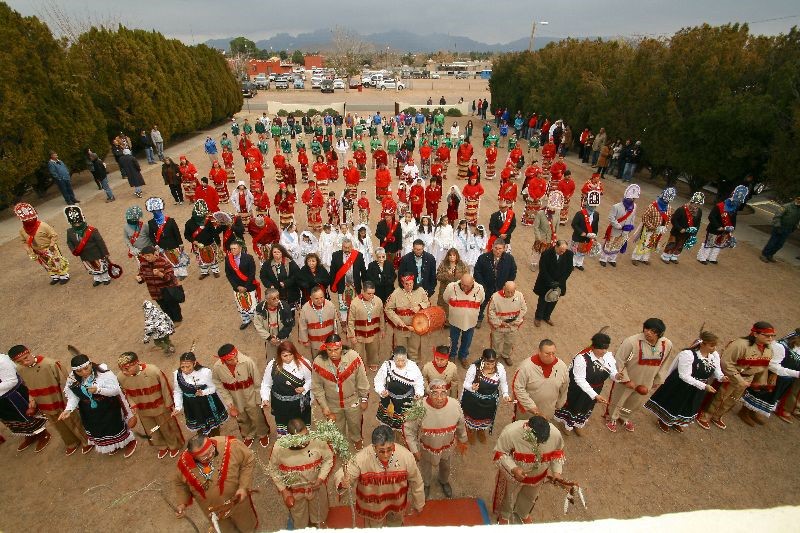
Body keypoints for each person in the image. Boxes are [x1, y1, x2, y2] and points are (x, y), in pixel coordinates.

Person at [335, 425, 425, 526]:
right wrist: (342, 481)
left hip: (396, 501)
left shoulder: (406, 456)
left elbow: (416, 480)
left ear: (394, 445)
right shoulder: (362, 458)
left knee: (395, 523)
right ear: (374, 447)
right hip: (374, 506)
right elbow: (344, 472)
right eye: (381, 451)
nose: (386, 455)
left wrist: (419, 502)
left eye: (389, 449)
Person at [8, 345, 90, 455]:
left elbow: (65, 384)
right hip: (43, 404)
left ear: (29, 352)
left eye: (26, 358)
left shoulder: (51, 364)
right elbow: (29, 386)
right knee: (59, 426)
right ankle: (71, 443)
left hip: (60, 401)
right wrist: (32, 400)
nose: (25, 362)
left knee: (73, 422)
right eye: (20, 361)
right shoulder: (20, 370)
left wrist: (68, 404)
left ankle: (86, 441)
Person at [173, 434, 258, 532]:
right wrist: (182, 504)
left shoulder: (230, 446)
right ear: (194, 457)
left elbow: (248, 460)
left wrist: (243, 486)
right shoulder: (184, 464)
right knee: (225, 530)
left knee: (247, 526)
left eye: (211, 450)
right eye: (205, 456)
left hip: (238, 501)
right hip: (214, 511)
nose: (210, 455)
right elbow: (180, 484)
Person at [698, 322, 775, 430]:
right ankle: (705, 416)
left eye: (772, 336)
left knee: (733, 399)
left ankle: (717, 416)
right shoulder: (740, 344)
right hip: (731, 376)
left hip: (748, 378)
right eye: (766, 335)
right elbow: (726, 362)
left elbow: (763, 366)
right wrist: (738, 378)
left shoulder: (768, 350)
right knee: (720, 396)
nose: (770, 338)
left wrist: (759, 383)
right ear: (755, 334)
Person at [59, 351, 137, 457]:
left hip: (108, 407)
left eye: (86, 368)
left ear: (90, 364)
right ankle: (114, 444)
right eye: (79, 371)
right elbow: (74, 396)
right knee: (99, 430)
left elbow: (115, 390)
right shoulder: (72, 379)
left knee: (114, 427)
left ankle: (130, 442)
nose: (83, 372)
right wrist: (68, 410)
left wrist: (98, 390)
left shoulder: (103, 374)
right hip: (89, 411)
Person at [605, 318, 675, 433]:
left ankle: (624, 417)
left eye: (653, 331)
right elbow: (620, 360)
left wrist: (658, 380)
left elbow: (665, 363)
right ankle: (612, 418)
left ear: (660, 333)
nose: (648, 333)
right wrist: (626, 380)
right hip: (629, 379)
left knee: (635, 402)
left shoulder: (666, 344)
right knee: (619, 399)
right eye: (646, 329)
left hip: (646, 381)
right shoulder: (632, 342)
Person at [644, 331, 724, 432]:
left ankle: (676, 421)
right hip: (682, 385)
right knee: (675, 402)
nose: (714, 348)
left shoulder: (714, 355)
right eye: (712, 345)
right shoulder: (688, 355)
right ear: (703, 344)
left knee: (688, 405)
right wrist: (704, 386)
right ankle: (664, 420)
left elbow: (716, 368)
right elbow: (684, 376)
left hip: (698, 388)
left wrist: (721, 377)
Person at [492, 416, 564, 525]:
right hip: (513, 475)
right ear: (528, 430)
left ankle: (523, 513)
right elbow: (500, 453)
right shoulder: (510, 433)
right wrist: (514, 468)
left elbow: (557, 454)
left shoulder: (555, 434)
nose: (540, 443)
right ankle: (504, 514)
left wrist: (557, 472)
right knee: (508, 495)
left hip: (538, 476)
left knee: (530, 496)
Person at [403, 378, 468, 499]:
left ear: (447, 393)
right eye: (435, 393)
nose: (439, 398)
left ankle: (443, 481)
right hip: (426, 448)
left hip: (447, 446)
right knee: (425, 467)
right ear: (429, 393)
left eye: (443, 393)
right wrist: (415, 450)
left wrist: (463, 440)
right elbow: (409, 430)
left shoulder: (455, 405)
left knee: (446, 466)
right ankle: (426, 484)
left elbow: (461, 424)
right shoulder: (419, 407)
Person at [268, 419, 334, 529]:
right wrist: (284, 491)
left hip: (316, 486)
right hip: (295, 491)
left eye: (306, 435)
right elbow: (272, 468)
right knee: (298, 514)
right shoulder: (279, 448)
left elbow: (328, 458)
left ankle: (318, 521)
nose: (305, 440)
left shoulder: (317, 440)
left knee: (319, 508)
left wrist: (321, 478)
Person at [116, 352, 184, 458]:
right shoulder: (121, 377)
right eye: (121, 369)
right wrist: (132, 405)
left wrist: (169, 405)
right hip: (143, 410)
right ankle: (161, 446)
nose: (124, 372)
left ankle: (174, 445)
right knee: (152, 430)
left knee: (167, 428)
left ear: (136, 363)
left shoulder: (153, 371)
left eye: (126, 368)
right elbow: (126, 393)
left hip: (160, 408)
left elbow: (166, 387)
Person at [554, 333, 620, 435]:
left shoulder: (608, 357)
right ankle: (568, 425)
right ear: (593, 347)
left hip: (596, 389)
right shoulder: (582, 358)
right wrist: (595, 395)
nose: (604, 351)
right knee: (574, 405)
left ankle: (578, 424)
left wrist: (616, 376)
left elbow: (612, 372)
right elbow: (579, 379)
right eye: (601, 348)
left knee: (586, 406)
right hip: (578, 389)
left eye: (606, 348)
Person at [312, 334, 370, 447]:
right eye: (330, 350)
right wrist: (324, 406)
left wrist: (364, 398)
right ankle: (340, 443)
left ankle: (357, 439)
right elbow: (317, 387)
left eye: (336, 349)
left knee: (355, 423)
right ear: (325, 348)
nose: (333, 353)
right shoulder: (318, 362)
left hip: (352, 400)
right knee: (337, 426)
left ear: (341, 347)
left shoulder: (353, 357)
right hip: (332, 402)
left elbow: (362, 379)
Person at [212, 344, 271, 448]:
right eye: (230, 359)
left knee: (257, 416)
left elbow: (257, 381)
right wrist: (229, 402)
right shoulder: (217, 367)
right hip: (234, 398)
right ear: (223, 360)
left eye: (236, 356)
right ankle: (248, 435)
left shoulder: (247, 362)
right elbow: (217, 382)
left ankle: (262, 433)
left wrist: (259, 398)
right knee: (242, 418)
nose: (235, 360)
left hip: (250, 394)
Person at [0, 352, 51, 452]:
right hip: (2, 400)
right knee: (13, 419)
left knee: (27, 416)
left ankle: (43, 435)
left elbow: (12, 381)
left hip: (14, 397)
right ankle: (30, 435)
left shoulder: (2, 361)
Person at [260, 341, 312, 436]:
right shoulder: (272, 365)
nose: (288, 358)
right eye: (284, 355)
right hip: (280, 404)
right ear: (279, 355)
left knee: (299, 425)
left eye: (290, 355)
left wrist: (304, 388)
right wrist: (265, 398)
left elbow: (311, 379)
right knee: (284, 424)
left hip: (299, 404)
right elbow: (266, 384)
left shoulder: (303, 363)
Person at [171, 351, 228, 436]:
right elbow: (178, 391)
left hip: (207, 403)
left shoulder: (205, 372)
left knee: (214, 428)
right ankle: (204, 442)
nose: (185, 370)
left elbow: (213, 387)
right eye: (182, 367)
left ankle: (216, 440)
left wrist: (204, 392)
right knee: (199, 427)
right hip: (191, 405)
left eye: (188, 366)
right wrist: (178, 407)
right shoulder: (177, 374)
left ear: (194, 364)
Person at [460, 349, 511, 442]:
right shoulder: (474, 368)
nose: (491, 366)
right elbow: (465, 384)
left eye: (493, 364)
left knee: (485, 417)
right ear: (483, 360)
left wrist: (505, 394)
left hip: (489, 401)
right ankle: (470, 430)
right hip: (473, 400)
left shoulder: (500, 368)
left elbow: (503, 383)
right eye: (488, 364)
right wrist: (472, 387)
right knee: (472, 415)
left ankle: (480, 430)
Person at [511, 339, 569, 420]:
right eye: (547, 353)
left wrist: (559, 404)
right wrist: (534, 409)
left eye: (553, 353)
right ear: (539, 351)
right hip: (527, 412)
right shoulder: (525, 367)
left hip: (548, 411)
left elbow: (564, 387)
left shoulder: (562, 367)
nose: (551, 357)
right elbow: (518, 388)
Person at [14, 202, 70, 285]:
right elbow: (23, 242)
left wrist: (52, 244)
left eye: (31, 218)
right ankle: (55, 276)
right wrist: (29, 251)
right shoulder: (22, 230)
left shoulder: (43, 225)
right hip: (37, 251)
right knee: (46, 264)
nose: (29, 220)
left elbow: (54, 235)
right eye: (27, 220)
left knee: (56, 262)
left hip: (49, 247)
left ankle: (64, 276)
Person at [385, 274, 431, 363]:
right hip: (401, 327)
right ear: (402, 283)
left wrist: (419, 306)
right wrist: (398, 321)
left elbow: (427, 302)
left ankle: (414, 364)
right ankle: (401, 365)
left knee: (414, 348)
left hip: (416, 326)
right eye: (406, 284)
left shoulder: (420, 290)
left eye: (411, 283)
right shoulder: (396, 293)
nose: (409, 286)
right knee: (401, 348)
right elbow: (388, 309)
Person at [374, 346, 424, 428]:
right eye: (398, 360)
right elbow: (378, 381)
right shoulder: (387, 366)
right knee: (388, 418)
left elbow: (419, 382)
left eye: (403, 361)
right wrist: (382, 391)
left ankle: (403, 432)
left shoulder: (413, 367)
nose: (400, 363)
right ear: (393, 357)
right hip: (389, 399)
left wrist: (418, 393)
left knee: (405, 422)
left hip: (406, 400)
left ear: (406, 358)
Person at [443, 273, 484, 368]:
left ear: (473, 282)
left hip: (470, 321)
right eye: (463, 285)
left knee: (467, 340)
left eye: (467, 286)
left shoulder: (480, 289)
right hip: (455, 320)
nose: (464, 288)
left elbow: (481, 301)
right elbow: (446, 298)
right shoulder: (451, 287)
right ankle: (452, 355)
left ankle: (463, 356)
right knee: (453, 339)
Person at [64, 205, 113, 286]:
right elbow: (69, 242)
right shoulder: (69, 231)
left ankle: (105, 278)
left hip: (96, 253)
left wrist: (105, 253)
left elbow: (100, 242)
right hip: (83, 254)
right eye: (75, 223)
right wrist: (73, 250)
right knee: (91, 267)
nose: (77, 224)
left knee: (101, 266)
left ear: (82, 220)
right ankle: (97, 279)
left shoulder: (92, 230)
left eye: (78, 222)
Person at [473, 238, 517, 328]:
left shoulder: (509, 259)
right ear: (492, 247)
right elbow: (477, 271)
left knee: (499, 305)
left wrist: (507, 285)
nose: (497, 251)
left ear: (504, 248)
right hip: (486, 287)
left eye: (500, 248)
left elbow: (513, 271)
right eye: (496, 248)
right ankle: (479, 318)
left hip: (501, 288)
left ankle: (497, 320)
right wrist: (482, 285)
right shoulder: (483, 258)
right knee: (482, 304)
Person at [146, 196, 189, 280]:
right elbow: (151, 235)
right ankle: (174, 274)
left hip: (173, 243)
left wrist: (180, 243)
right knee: (168, 260)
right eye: (154, 211)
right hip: (162, 245)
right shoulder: (151, 223)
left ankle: (182, 273)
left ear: (161, 209)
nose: (156, 212)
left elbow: (177, 233)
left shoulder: (170, 220)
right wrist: (155, 245)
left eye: (157, 210)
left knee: (177, 258)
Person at [136, 245, 183, 323]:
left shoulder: (164, 262)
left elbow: (170, 278)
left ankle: (178, 320)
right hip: (155, 292)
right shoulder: (143, 264)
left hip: (168, 290)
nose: (147, 258)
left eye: (148, 256)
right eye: (145, 256)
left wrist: (160, 274)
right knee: (164, 307)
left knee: (173, 306)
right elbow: (142, 274)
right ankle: (170, 320)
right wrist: (140, 278)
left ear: (155, 254)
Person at [532, 240, 573, 327]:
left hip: (559, 283)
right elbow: (543, 270)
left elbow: (569, 270)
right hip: (546, 282)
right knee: (542, 301)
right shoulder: (546, 254)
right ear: (556, 247)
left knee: (554, 300)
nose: (563, 252)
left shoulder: (569, 254)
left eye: (564, 250)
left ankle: (547, 316)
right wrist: (550, 282)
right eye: (561, 250)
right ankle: (538, 317)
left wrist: (559, 282)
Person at [347, 281, 385, 372]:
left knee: (373, 348)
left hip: (373, 331)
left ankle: (373, 362)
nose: (371, 296)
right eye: (369, 294)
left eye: (373, 293)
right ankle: (358, 365)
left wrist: (382, 329)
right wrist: (352, 335)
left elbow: (381, 316)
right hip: (359, 332)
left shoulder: (378, 301)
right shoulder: (355, 303)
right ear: (362, 291)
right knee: (357, 351)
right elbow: (351, 321)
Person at [487, 281, 527, 367]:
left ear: (515, 290)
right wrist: (500, 323)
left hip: (512, 326)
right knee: (496, 342)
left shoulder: (519, 295)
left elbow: (523, 309)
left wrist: (517, 321)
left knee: (510, 342)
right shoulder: (495, 297)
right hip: (499, 326)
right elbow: (490, 312)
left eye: (512, 292)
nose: (510, 294)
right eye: (508, 291)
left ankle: (506, 355)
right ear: (504, 288)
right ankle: (495, 356)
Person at [631, 187, 674, 266]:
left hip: (658, 231)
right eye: (666, 199)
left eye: (668, 200)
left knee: (652, 245)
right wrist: (652, 227)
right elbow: (645, 217)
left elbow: (668, 219)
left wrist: (664, 227)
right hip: (648, 229)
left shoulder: (669, 208)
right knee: (643, 243)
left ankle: (645, 258)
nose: (666, 201)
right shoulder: (653, 206)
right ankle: (635, 257)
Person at [599, 184, 639, 267]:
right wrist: (619, 226)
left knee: (618, 245)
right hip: (615, 230)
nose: (632, 200)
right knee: (609, 244)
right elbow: (611, 218)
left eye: (633, 199)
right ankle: (603, 258)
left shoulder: (634, 207)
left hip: (625, 231)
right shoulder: (616, 206)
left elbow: (633, 217)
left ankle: (612, 259)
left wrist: (631, 226)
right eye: (631, 198)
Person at [330, 238, 367, 323]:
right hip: (342, 285)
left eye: (348, 247)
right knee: (343, 305)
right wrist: (333, 286)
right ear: (342, 246)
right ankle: (344, 321)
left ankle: (354, 321)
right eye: (345, 247)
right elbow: (332, 272)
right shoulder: (335, 255)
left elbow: (363, 272)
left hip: (355, 285)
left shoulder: (358, 255)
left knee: (355, 305)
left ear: (352, 247)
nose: (347, 250)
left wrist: (365, 286)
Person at [225, 240, 260, 330]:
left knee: (253, 306)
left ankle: (257, 323)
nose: (233, 251)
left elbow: (252, 274)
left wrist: (246, 287)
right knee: (241, 305)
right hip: (237, 288)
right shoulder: (228, 259)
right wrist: (236, 286)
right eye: (231, 249)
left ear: (240, 248)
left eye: (235, 248)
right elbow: (228, 274)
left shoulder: (249, 258)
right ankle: (246, 321)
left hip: (249, 286)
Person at [661, 191, 704, 264]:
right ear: (691, 202)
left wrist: (694, 232)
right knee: (672, 243)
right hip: (677, 231)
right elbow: (674, 219)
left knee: (680, 245)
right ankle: (665, 256)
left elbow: (698, 222)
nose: (696, 206)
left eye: (699, 204)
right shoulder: (681, 209)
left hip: (687, 233)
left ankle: (674, 256)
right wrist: (680, 228)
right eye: (695, 204)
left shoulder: (699, 211)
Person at [184, 200, 221, 280]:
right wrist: (193, 241)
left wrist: (218, 242)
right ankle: (204, 272)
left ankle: (215, 271)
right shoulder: (189, 223)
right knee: (201, 260)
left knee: (213, 257)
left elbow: (214, 233)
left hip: (210, 243)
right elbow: (186, 235)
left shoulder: (207, 222)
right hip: (198, 246)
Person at [260, 243, 301, 308]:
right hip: (275, 293)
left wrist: (286, 283)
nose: (276, 254)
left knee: (290, 312)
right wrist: (270, 285)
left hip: (290, 293)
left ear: (282, 252)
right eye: (274, 252)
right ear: (272, 253)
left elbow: (297, 275)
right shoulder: (267, 264)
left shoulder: (290, 262)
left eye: (279, 252)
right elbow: (263, 277)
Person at [761, 196, 800, 262]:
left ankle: (770, 255)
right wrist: (778, 226)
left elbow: (797, 220)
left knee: (780, 244)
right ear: (796, 199)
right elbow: (777, 216)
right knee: (772, 242)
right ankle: (764, 255)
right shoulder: (787, 206)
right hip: (780, 227)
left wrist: (794, 227)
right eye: (799, 200)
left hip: (788, 229)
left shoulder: (799, 209)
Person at [435, 247, 469, 321]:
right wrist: (447, 274)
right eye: (450, 255)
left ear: (457, 256)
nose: (452, 257)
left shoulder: (462, 264)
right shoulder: (443, 264)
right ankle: (445, 321)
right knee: (444, 305)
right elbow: (438, 276)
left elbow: (466, 276)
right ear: (448, 256)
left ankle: (455, 321)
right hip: (445, 289)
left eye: (454, 255)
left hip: (458, 289)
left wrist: (457, 277)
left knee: (456, 305)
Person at [570, 189, 600, 271]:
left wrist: (594, 234)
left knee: (583, 251)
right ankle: (572, 263)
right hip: (579, 236)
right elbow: (574, 224)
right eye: (592, 206)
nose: (594, 207)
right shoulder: (580, 213)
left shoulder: (596, 215)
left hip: (588, 237)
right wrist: (582, 233)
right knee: (575, 250)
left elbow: (595, 226)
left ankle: (579, 263)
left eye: (595, 206)